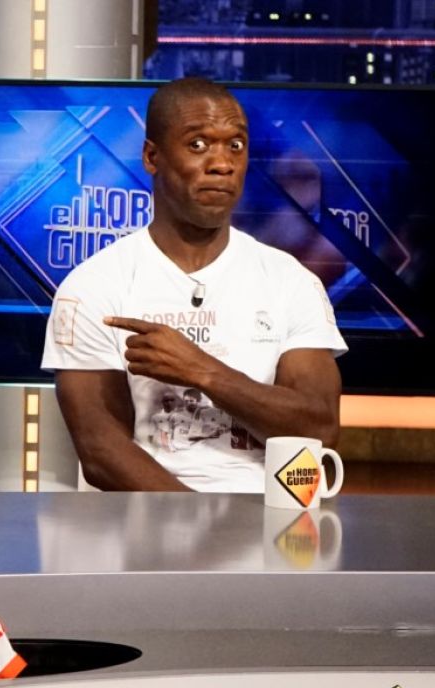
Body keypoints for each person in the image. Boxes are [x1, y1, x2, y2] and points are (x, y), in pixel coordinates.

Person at [41, 77, 346, 493]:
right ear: (152, 156)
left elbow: (319, 430)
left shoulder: (291, 282)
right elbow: (101, 452)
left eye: (235, 145)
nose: (222, 164)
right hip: (146, 521)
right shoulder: (94, 287)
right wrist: (199, 522)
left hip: (270, 518)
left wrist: (201, 370)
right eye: (198, 144)